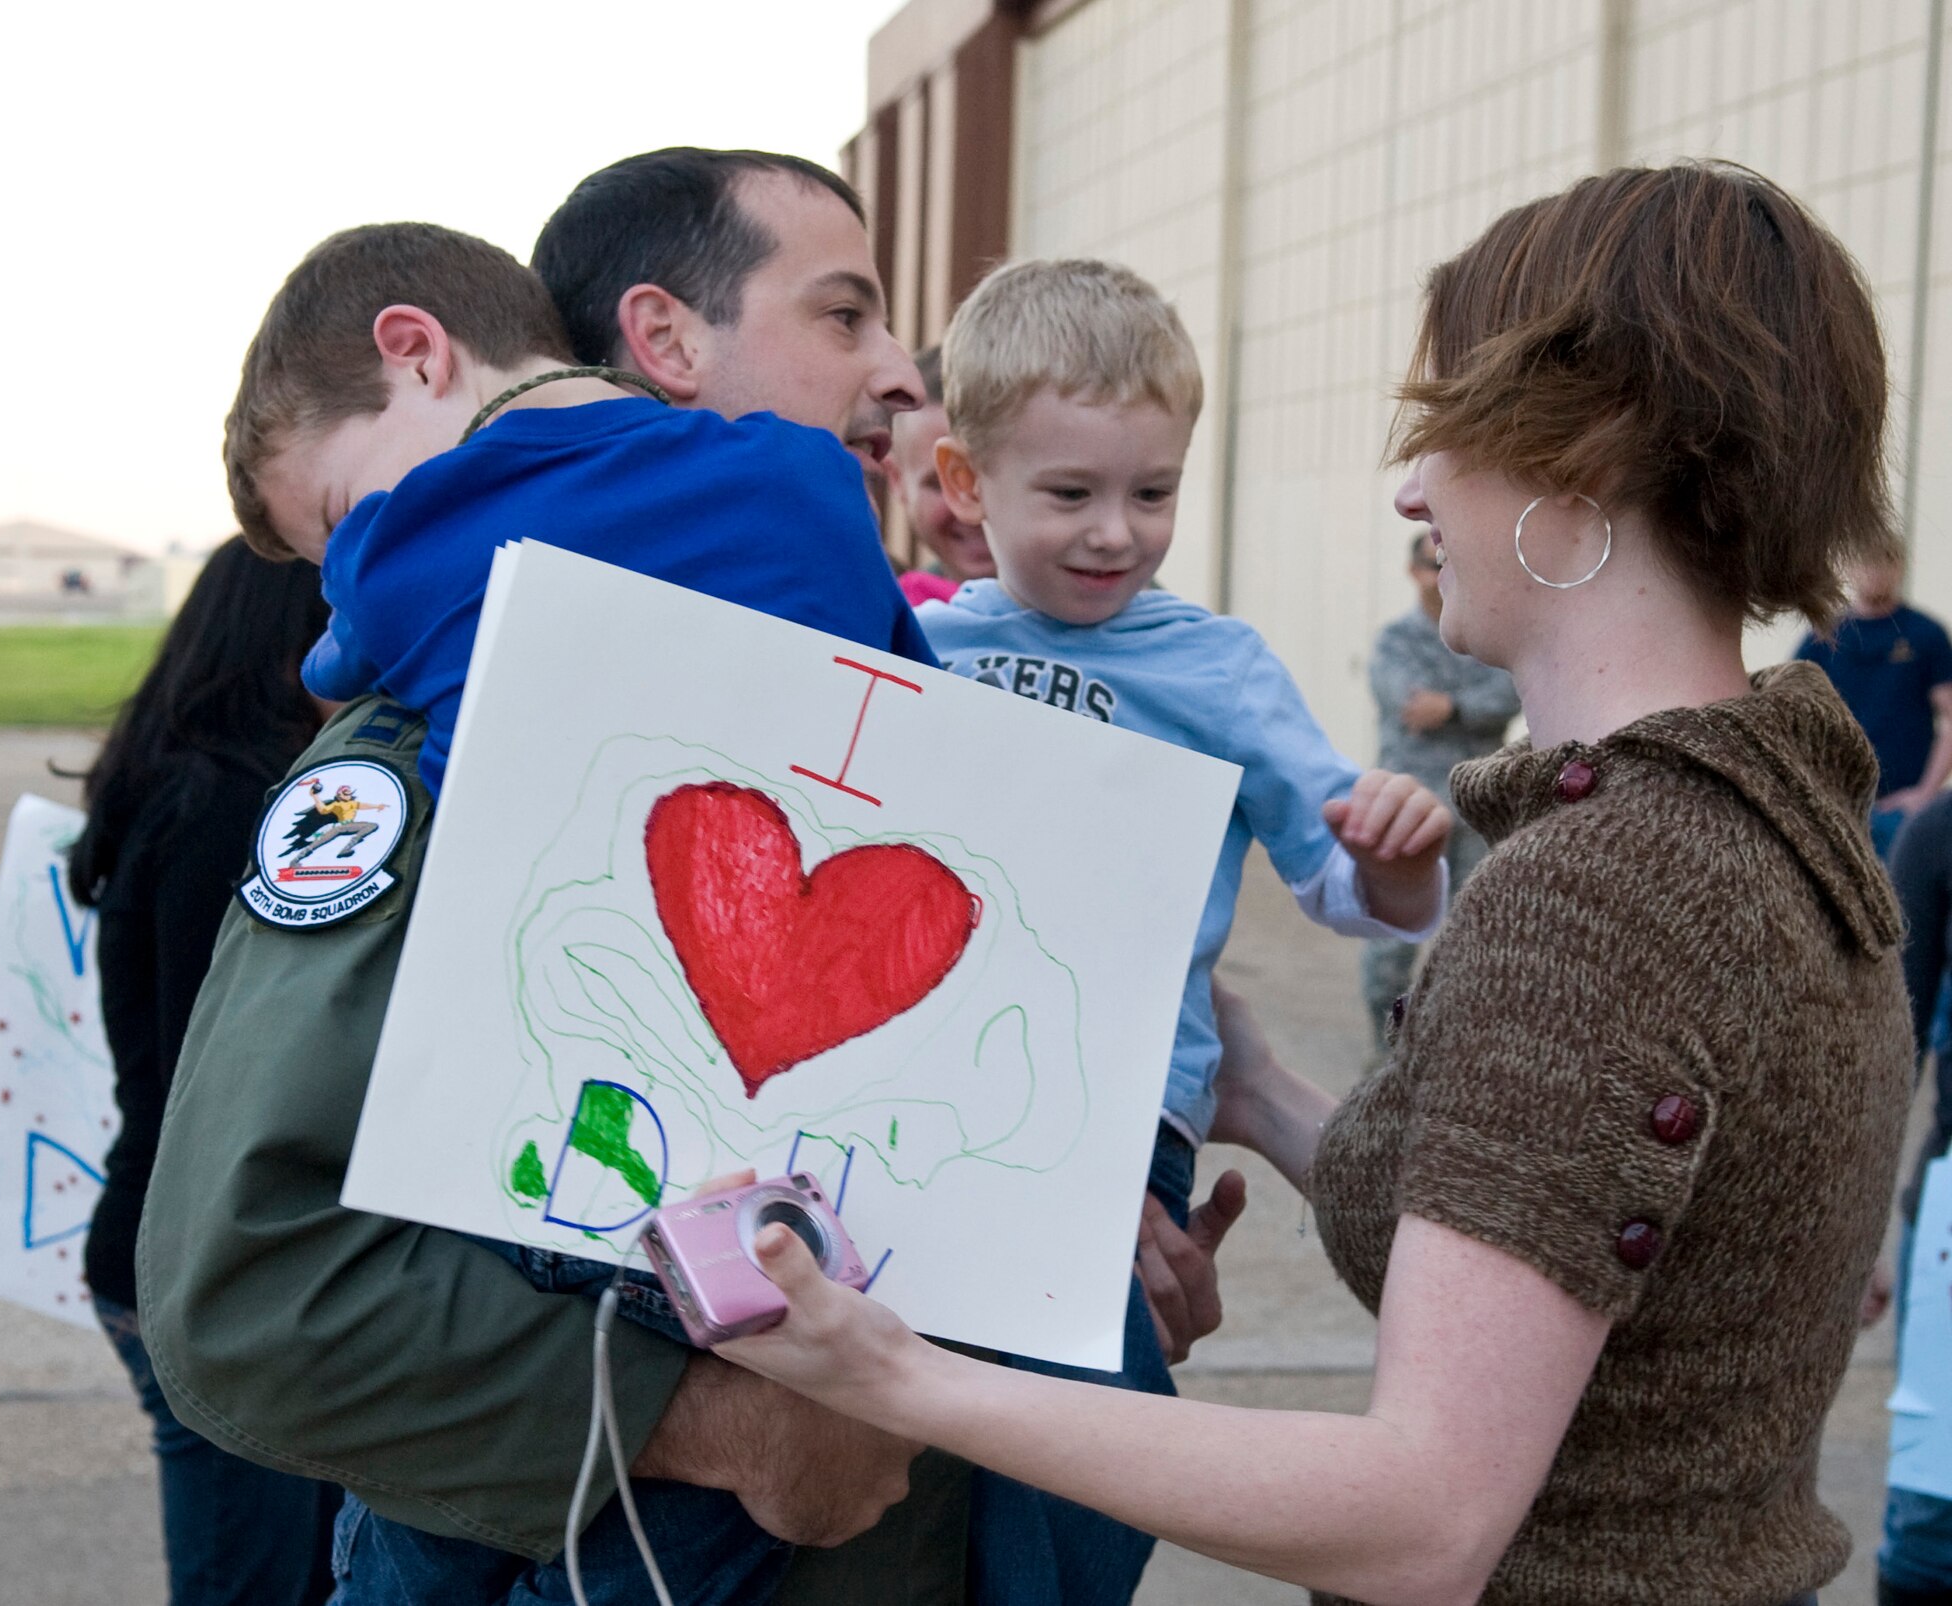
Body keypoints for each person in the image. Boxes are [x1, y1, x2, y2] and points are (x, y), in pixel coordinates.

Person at [708, 162, 1913, 1606]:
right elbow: (1560, 1257)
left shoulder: (1603, 894)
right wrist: (1264, 1093)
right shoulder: (1782, 833)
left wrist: (893, 1369)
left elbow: (1420, 1515)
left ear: (1574, 460)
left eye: (1446, 432)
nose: (1413, 491)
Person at [138, 149, 966, 1606]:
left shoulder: (402, 577)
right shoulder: (799, 488)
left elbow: (343, 652)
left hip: (572, 1174)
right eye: (843, 318)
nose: (893, 373)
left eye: (332, 521)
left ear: (418, 350)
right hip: (798, 1225)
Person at [916, 257, 1450, 1605]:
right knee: (919, 1471)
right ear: (965, 484)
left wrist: (1394, 862)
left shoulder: (1216, 668)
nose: (1116, 532)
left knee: (1073, 1472)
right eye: (1070, 493)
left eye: (1151, 492)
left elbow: (1335, 879)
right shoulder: (913, 644)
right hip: (916, 1100)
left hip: (1115, 1123)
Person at [224, 218, 930, 800]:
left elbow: (326, 670)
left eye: (340, 512)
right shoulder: (809, 473)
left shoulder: (395, 548)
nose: (347, 551)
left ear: (416, 355)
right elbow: (928, 708)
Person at [67, 537, 340, 1604]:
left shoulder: (189, 785)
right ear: (284, 643)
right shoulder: (221, 807)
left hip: (190, 1250)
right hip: (203, 1266)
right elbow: (215, 1067)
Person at [1361, 533, 1519, 1044]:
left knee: (1478, 940)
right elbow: (1408, 703)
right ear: (1413, 571)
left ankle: (1460, 1053)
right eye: (1431, 565)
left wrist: (1448, 708)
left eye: (1447, 563)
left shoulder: (1486, 637)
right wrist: (1466, 708)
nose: (1439, 574)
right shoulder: (1394, 642)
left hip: (1476, 812)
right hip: (1407, 810)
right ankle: (1386, 1053)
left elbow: (1506, 698)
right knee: (1389, 945)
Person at [1877, 795, 1952, 1606]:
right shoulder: (1940, 834)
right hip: (1951, 1214)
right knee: (1935, 1524)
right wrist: (1862, 1239)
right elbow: (1887, 1057)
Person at [1796, 543, 1952, 857]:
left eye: (1885, 561)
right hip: (1836, 806)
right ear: (1848, 568)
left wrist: (1925, 793)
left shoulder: (1925, 633)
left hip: (1901, 811)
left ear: (1899, 567)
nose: (1874, 571)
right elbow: (1791, 717)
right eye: (1866, 560)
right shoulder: (1823, 637)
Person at [888, 345, 994, 606]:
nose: (969, 507)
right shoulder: (885, 620)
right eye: (940, 483)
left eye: (991, 477)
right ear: (897, 480)